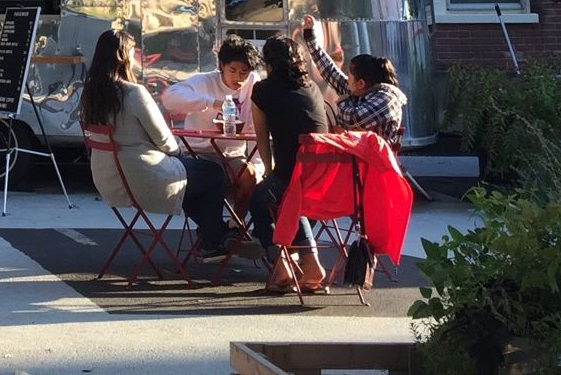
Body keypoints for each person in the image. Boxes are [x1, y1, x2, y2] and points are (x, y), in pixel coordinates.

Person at [80, 27, 237, 255]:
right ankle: (214, 238)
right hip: (145, 177)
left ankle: (214, 236)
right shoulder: (133, 93)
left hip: (109, 181)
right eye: (133, 52)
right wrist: (177, 152)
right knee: (212, 173)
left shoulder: (89, 94)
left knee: (192, 180)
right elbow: (166, 142)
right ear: (124, 56)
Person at [248, 34, 331, 294]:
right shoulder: (312, 88)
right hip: (325, 177)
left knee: (261, 199)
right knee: (293, 202)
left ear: (268, 63)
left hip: (291, 176)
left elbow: (262, 138)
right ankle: (306, 261)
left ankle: (283, 262)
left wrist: (269, 172)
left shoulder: (262, 90)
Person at [300, 15, 408, 147]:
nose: (346, 80)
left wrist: (342, 101)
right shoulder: (359, 91)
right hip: (357, 157)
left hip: (376, 162)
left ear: (361, 83)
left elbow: (353, 120)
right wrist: (309, 36)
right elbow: (330, 72)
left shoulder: (386, 99)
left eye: (349, 77)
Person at [160, 36, 262, 131]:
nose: (237, 77)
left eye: (243, 73)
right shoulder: (204, 81)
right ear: (222, 65)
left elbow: (255, 126)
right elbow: (169, 98)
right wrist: (211, 103)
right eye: (232, 70)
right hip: (196, 148)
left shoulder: (253, 82)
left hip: (234, 150)